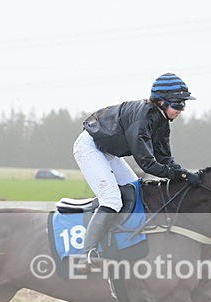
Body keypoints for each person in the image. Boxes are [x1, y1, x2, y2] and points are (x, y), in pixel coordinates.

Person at [71, 73, 200, 271]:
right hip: (90, 147)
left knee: (137, 190)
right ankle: (85, 255)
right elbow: (148, 164)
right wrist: (180, 176)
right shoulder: (143, 118)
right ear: (161, 101)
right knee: (112, 199)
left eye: (183, 104)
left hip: (108, 152)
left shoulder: (161, 121)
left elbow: (165, 159)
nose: (181, 110)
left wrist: (183, 173)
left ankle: (124, 241)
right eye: (177, 104)